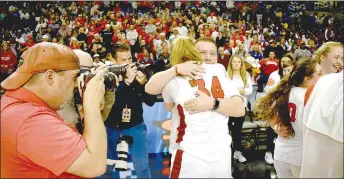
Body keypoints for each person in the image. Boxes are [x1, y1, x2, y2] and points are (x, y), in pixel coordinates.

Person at [1, 42, 107, 178]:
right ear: (50, 77)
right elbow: (95, 166)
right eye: (74, 77)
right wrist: (91, 104)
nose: (76, 85)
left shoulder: (16, 105)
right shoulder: (31, 120)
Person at [146, 37, 245, 178]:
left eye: (212, 53)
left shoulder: (220, 74)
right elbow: (150, 88)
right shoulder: (179, 76)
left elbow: (240, 109)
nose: (208, 57)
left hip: (217, 153)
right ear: (193, 53)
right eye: (203, 52)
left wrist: (212, 103)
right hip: (193, 154)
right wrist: (175, 69)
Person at [255, 58, 322, 178]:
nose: (322, 77)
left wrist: (276, 127)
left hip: (281, 154)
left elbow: (270, 116)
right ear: (307, 79)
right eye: (319, 74)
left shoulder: (286, 91)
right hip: (301, 157)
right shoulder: (310, 97)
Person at [102, 42, 156, 178]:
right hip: (111, 128)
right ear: (113, 60)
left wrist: (142, 84)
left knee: (142, 168)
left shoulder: (138, 74)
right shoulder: (106, 75)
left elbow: (150, 101)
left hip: (135, 127)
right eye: (124, 60)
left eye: (130, 59)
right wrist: (126, 82)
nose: (129, 63)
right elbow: (112, 101)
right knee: (104, 169)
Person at [300, 43, 343, 178]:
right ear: (323, 57)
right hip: (303, 150)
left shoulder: (325, 81)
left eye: (342, 58)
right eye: (336, 57)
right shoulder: (319, 82)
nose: (340, 63)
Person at [227, 55, 253, 163]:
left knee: (238, 131)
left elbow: (249, 91)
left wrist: (236, 90)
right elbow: (225, 91)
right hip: (228, 106)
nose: (237, 63)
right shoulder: (226, 75)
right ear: (231, 63)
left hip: (241, 107)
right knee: (227, 130)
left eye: (239, 62)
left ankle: (237, 152)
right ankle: (227, 152)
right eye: (234, 62)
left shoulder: (245, 75)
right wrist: (240, 90)